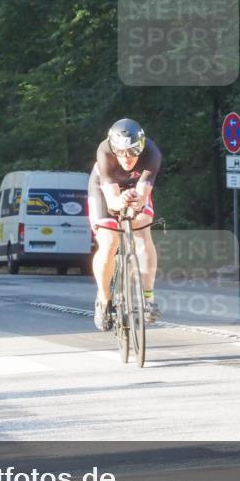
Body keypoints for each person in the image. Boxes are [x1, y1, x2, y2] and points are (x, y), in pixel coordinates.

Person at [88, 118, 161, 331]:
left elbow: (144, 192)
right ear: (113, 148)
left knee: (143, 230)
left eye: (132, 152)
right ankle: (104, 300)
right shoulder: (104, 151)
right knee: (109, 241)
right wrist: (121, 201)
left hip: (134, 187)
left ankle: (148, 299)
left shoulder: (152, 153)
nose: (127, 158)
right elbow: (112, 201)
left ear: (141, 147)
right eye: (121, 152)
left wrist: (136, 200)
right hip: (104, 189)